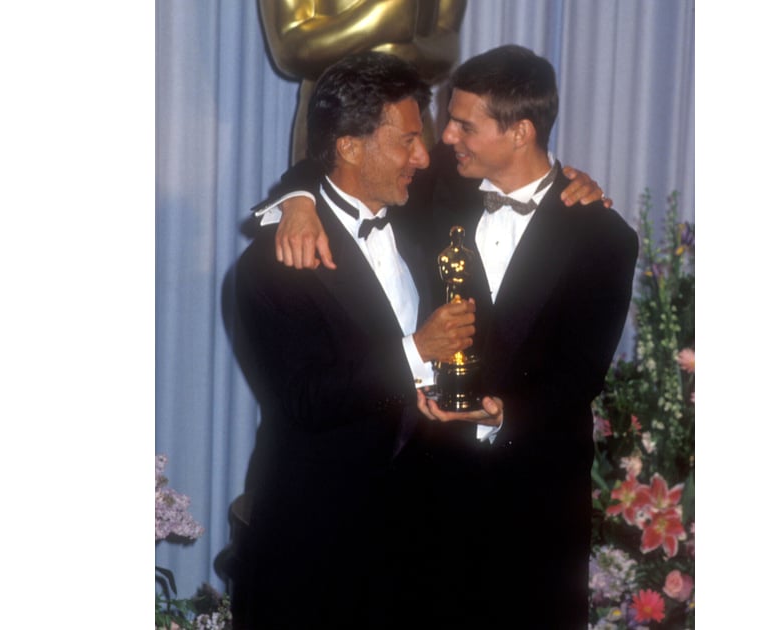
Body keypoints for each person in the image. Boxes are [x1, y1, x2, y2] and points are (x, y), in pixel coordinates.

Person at [260, 45, 640, 628]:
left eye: (465, 124)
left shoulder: (604, 236)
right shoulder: (434, 190)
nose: (444, 140)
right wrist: (297, 200)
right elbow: (344, 157)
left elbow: (580, 373)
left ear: (520, 132)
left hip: (534, 497)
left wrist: (498, 412)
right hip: (428, 497)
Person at [228, 51, 477, 629]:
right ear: (349, 146)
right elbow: (305, 400)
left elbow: (515, 179)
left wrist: (578, 189)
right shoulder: (274, 263)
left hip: (419, 540)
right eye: (409, 140)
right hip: (319, 545)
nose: (425, 155)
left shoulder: (415, 212)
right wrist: (418, 350)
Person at [259, 0, 467, 162]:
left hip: (412, 119)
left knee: (413, 210)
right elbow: (288, 49)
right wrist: (385, 13)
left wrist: (394, 50)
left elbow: (448, 45)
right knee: (327, 210)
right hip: (334, 119)